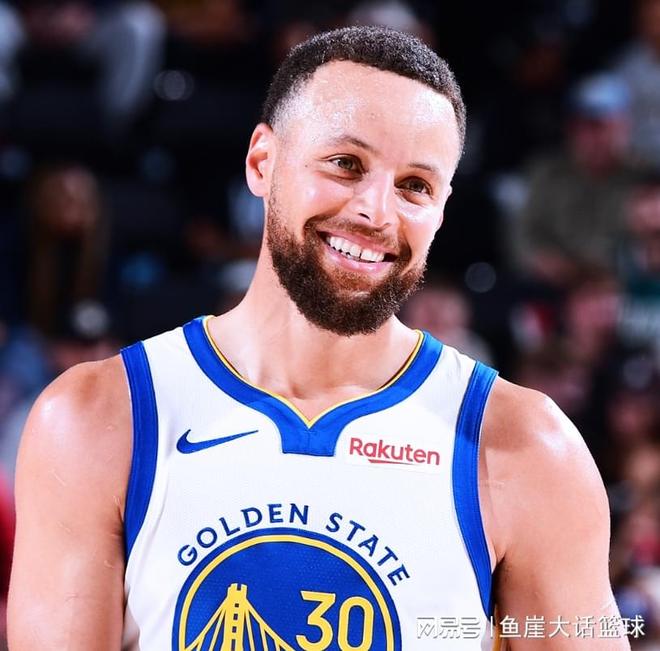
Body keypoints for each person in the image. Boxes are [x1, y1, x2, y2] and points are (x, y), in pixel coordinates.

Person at [8, 27, 629, 650]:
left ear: (442, 210)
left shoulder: (528, 448)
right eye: (345, 164)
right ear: (262, 163)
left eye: (415, 185)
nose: (376, 212)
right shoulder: (97, 420)